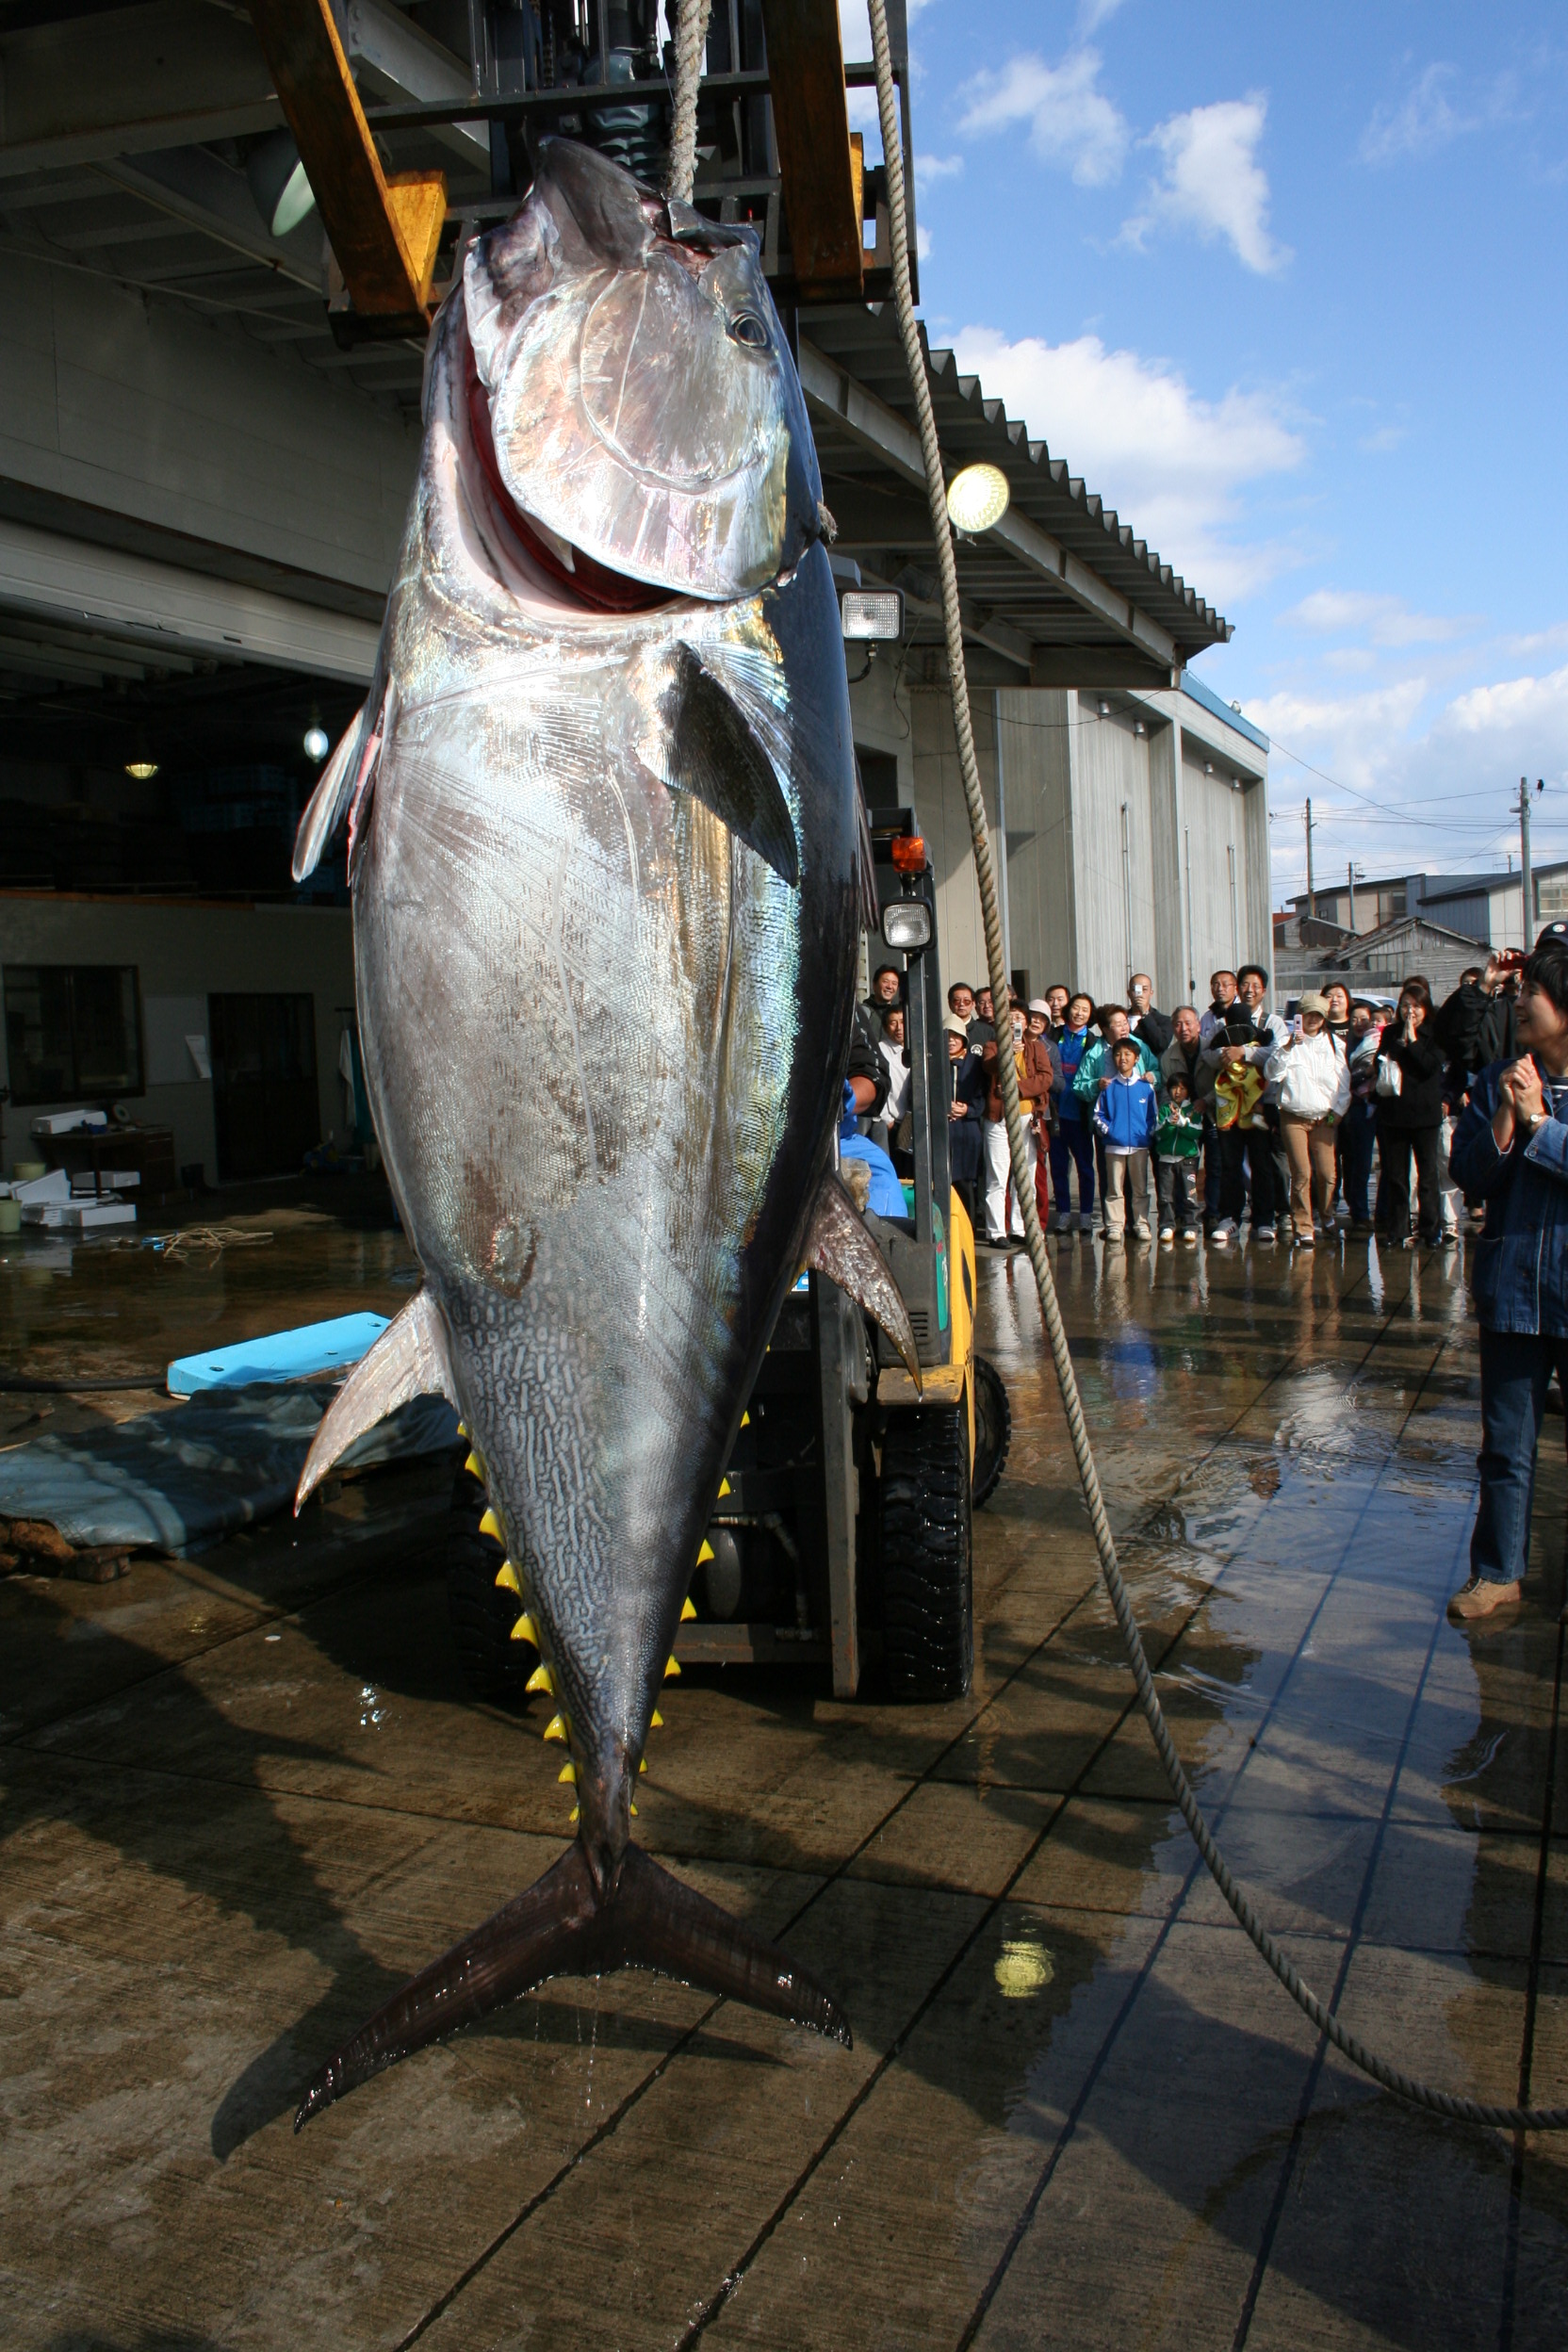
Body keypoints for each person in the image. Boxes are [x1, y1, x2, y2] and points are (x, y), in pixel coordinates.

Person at [1446, 944, 1568, 1621]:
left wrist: (1542, 1124)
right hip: (1514, 1293)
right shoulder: (1499, 1080)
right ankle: (1497, 1572)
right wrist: (1506, 1115)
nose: (1519, 1003)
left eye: (1535, 995)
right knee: (1505, 1447)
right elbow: (1470, 1175)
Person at [1200, 964, 1287, 1245]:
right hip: (1228, 1108)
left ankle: (1264, 1218)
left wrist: (1244, 1051)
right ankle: (1230, 1217)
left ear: (1263, 990)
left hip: (1261, 1105)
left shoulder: (1272, 1022)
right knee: (1229, 1163)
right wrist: (1227, 1054)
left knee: (1262, 1162)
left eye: (1255, 985)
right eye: (1245, 985)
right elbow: (1209, 1053)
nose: (1249, 990)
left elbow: (1278, 1054)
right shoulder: (1222, 1020)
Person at [1266, 989, 1349, 1246]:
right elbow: (1272, 1074)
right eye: (1307, 1014)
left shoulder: (1335, 1044)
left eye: (1317, 1015)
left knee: (1327, 1174)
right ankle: (1303, 1225)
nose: (1312, 1019)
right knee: (1301, 1173)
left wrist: (1337, 1112)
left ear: (1324, 1018)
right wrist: (1289, 1047)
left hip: (1324, 1117)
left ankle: (1326, 1215)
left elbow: (1343, 1084)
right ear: (1299, 1016)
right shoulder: (1286, 1043)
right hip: (1293, 1116)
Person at [1374, 977, 1448, 1249]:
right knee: (1396, 1175)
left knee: (1428, 1175)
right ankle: (1397, 1229)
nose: (1410, 1011)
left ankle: (1431, 1231)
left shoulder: (1436, 1033)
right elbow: (1379, 1060)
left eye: (1416, 1006)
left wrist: (1413, 1043)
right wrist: (1398, 1045)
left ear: (1426, 1008)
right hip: (1395, 1113)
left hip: (1425, 1115)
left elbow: (1430, 1066)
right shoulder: (1391, 1032)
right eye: (1405, 1005)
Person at [983, 998, 1052, 1244]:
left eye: (1020, 1018)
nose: (1015, 1022)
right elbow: (989, 1066)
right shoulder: (992, 1046)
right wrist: (1007, 1052)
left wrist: (1017, 1088)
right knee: (998, 1176)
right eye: (1010, 1017)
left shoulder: (1037, 1049)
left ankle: (1020, 1228)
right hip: (998, 1119)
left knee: (1025, 1176)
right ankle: (996, 1231)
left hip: (1027, 1118)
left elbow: (1046, 1078)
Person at [1093, 1037, 1157, 1242]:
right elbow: (1098, 1115)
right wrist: (1111, 1132)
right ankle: (1114, 1226)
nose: (1123, 1058)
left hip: (1139, 1147)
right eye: (1119, 1054)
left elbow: (1152, 1117)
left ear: (1136, 1058)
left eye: (1128, 1054)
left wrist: (1146, 1134)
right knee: (1114, 1189)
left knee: (1139, 1188)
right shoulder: (1109, 1087)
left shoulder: (1146, 1088)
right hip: (1114, 1146)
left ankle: (1141, 1224)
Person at [1052, 991, 1098, 1234]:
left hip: (1079, 1115)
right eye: (1076, 1008)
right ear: (1068, 1009)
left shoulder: (1092, 1042)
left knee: (1084, 1167)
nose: (1079, 1013)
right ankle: (1063, 1213)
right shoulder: (1054, 1036)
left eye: (1085, 1010)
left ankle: (1086, 1214)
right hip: (1056, 1113)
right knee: (1059, 1167)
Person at [1341, 1000, 1384, 1233]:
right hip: (1356, 1107)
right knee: (1360, 1162)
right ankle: (1360, 1213)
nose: (1359, 1023)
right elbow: (1344, 1078)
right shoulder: (1345, 1045)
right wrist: (1365, 1074)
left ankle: (1384, 1212)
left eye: (1364, 1019)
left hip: (1381, 1106)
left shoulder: (1378, 1041)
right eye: (1354, 1019)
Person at [944, 1013, 988, 1232]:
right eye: (947, 1036)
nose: (951, 1040)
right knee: (944, 1178)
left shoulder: (975, 1063)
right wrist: (943, 1108)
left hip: (967, 1128)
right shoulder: (933, 1062)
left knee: (965, 1180)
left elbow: (983, 1095)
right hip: (942, 1127)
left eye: (956, 1036)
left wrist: (967, 1109)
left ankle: (968, 1227)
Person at [1154, 1070, 1203, 1241]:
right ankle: (1167, 1225)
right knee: (1166, 1196)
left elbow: (1196, 1132)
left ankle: (1191, 1225)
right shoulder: (1164, 1109)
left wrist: (1184, 1124)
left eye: (1182, 1088)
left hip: (1187, 1160)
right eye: (1174, 1087)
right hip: (1166, 1160)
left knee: (1189, 1194)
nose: (1178, 1091)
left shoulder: (1193, 1110)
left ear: (1188, 1090)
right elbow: (1159, 1132)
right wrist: (1169, 1123)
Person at [877, 1003, 912, 1152]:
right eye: (893, 1023)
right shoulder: (880, 1050)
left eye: (903, 1022)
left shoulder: (918, 1048)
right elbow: (878, 1086)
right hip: (891, 1122)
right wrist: (886, 1118)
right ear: (885, 1027)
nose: (899, 1027)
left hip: (913, 1121)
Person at [1127, 972, 1173, 1056]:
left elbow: (1160, 1044)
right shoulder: (1121, 1019)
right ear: (1129, 993)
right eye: (1135, 990)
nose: (1139, 995)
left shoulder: (1164, 1020)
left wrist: (1145, 1014)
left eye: (1144, 990)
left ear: (1151, 993)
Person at [1199, 969, 1240, 1046]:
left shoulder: (1244, 1012)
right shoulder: (1206, 1018)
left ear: (1236, 989)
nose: (1220, 989)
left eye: (1225, 985)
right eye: (1216, 985)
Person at [863, 963, 904, 1038]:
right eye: (885, 981)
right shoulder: (863, 1012)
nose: (890, 986)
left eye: (894, 983)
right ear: (874, 985)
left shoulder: (900, 1013)